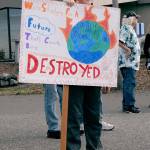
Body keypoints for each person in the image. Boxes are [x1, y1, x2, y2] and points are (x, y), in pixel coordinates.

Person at [118, 11, 141, 113]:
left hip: (131, 62)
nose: (137, 20)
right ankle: (129, 105)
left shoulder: (129, 28)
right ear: (131, 19)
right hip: (128, 62)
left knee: (129, 83)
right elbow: (119, 41)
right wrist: (128, 50)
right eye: (136, 18)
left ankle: (127, 105)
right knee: (129, 83)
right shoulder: (126, 27)